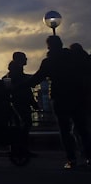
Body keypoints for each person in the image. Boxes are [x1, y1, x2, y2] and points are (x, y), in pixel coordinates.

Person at [28, 35, 91, 169]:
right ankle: (89, 157)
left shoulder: (49, 61)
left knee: (64, 129)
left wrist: (18, 86)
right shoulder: (75, 57)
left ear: (49, 46)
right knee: (82, 128)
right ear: (61, 44)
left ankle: (71, 159)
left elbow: (37, 79)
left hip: (60, 98)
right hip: (78, 96)